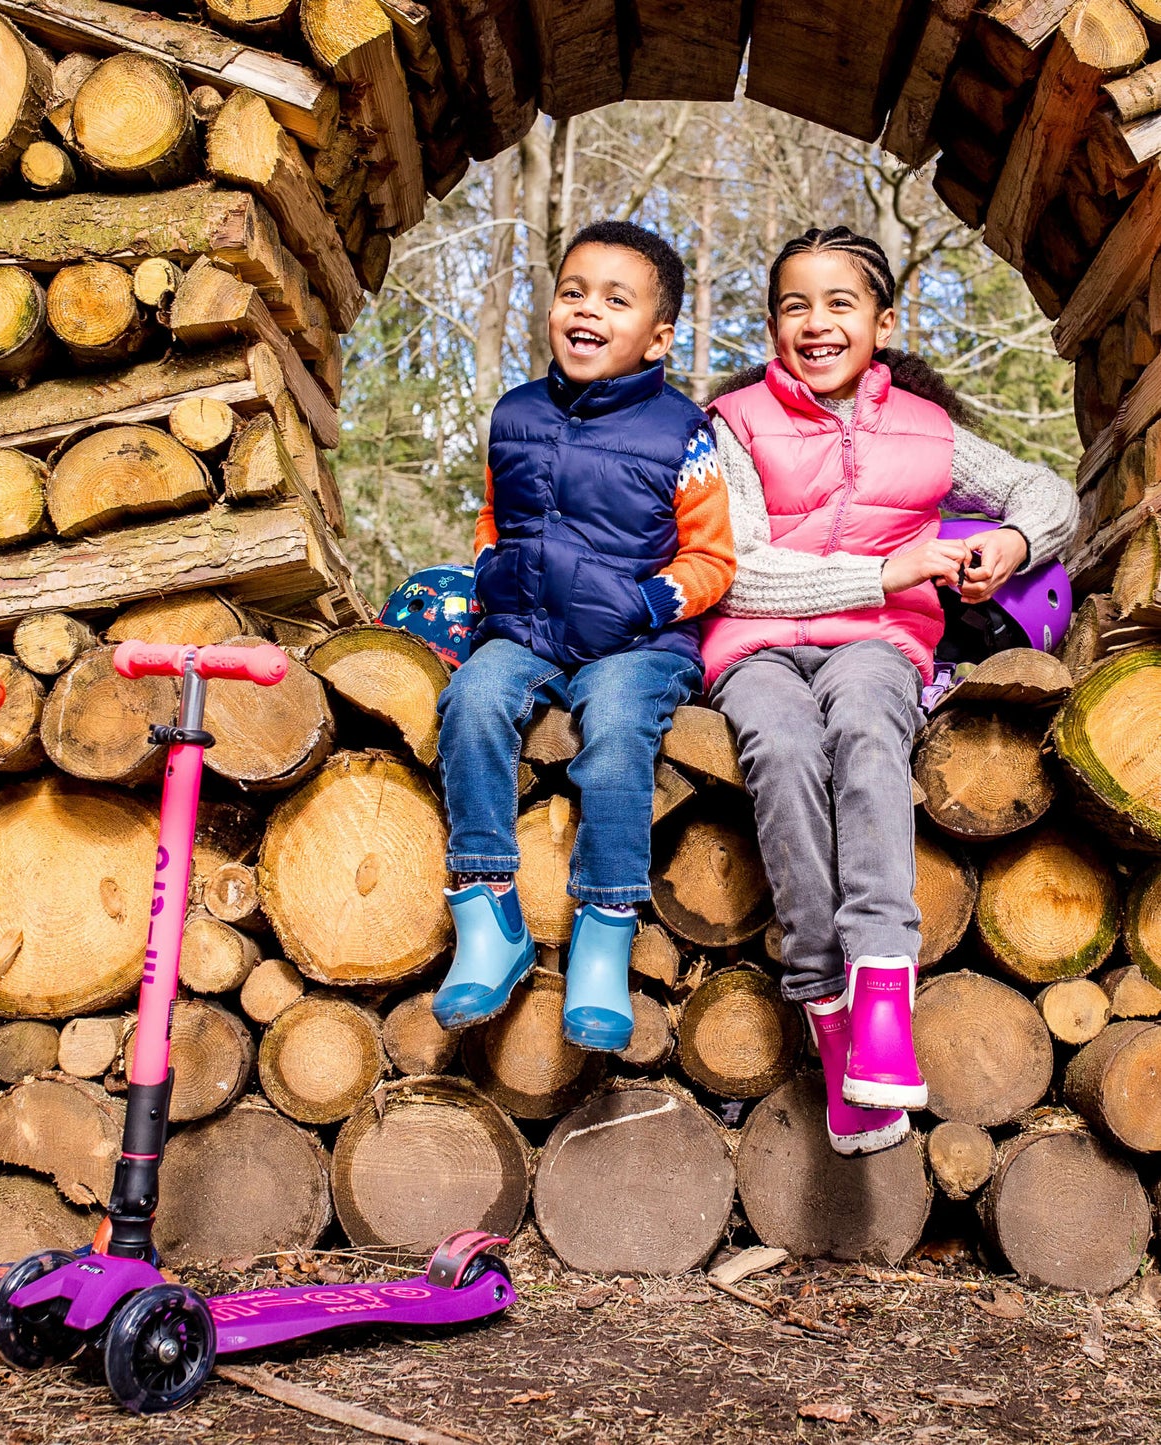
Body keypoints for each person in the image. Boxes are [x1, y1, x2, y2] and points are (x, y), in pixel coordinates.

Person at [704, 225, 1079, 1154]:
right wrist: (886, 569)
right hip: (755, 645)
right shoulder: (734, 422)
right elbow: (737, 571)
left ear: (882, 321)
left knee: (868, 733)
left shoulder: (928, 429)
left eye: (840, 303)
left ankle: (880, 998)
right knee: (784, 750)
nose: (817, 323)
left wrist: (1016, 542)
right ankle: (826, 1008)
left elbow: (1045, 491)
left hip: (875, 644)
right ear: (771, 326)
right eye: (795, 305)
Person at [431, 220, 737, 1052]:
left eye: (615, 298)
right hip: (524, 627)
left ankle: (605, 926)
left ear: (657, 337)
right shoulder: (515, 413)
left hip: (636, 642)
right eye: (573, 291)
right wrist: (491, 571)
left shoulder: (683, 432)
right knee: (473, 699)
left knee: (612, 730)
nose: (586, 310)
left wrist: (643, 605)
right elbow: (496, 516)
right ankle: (488, 913)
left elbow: (713, 558)